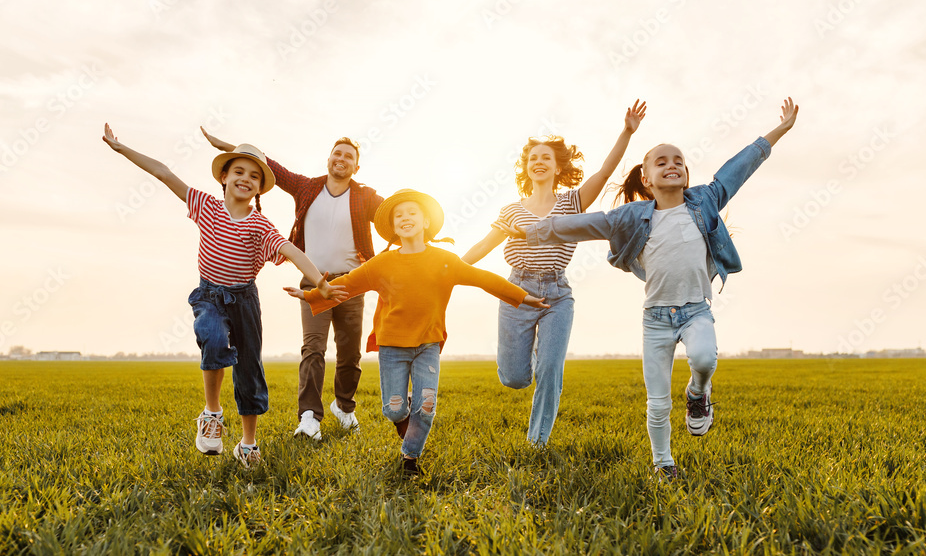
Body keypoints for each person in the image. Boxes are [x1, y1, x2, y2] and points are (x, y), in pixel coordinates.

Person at [506, 98, 799, 480]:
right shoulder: (631, 216)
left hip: (696, 310)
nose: (672, 165)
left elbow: (740, 166)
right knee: (657, 402)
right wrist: (533, 231)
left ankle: (698, 394)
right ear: (646, 179)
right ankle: (664, 465)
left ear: (686, 174)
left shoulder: (706, 201)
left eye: (678, 160)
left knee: (705, 359)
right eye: (661, 162)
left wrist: (779, 130)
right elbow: (581, 223)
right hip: (656, 320)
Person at [102, 124, 345, 467]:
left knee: (249, 370)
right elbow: (163, 172)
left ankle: (247, 445)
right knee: (213, 339)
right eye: (239, 172)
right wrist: (121, 147)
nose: (245, 179)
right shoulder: (205, 206)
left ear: (261, 187)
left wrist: (319, 281)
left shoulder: (260, 225)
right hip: (210, 296)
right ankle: (212, 414)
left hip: (245, 301)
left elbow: (290, 250)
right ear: (225, 178)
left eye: (254, 176)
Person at [286, 190, 549, 476]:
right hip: (392, 347)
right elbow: (347, 284)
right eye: (399, 215)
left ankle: (409, 459)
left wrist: (522, 296)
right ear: (393, 227)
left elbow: (484, 278)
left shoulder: (444, 260)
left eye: (412, 213)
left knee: (426, 406)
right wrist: (311, 295)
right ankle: (405, 414)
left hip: (427, 345)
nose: (405, 218)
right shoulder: (382, 264)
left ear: (425, 222)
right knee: (394, 410)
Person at [461, 100, 647, 445]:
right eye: (533, 158)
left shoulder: (571, 204)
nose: (539, 162)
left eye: (546, 157)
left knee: (549, 369)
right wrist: (451, 268)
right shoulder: (512, 210)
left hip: (557, 294)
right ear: (526, 168)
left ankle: (537, 442)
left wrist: (626, 132)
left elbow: (604, 173)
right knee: (515, 378)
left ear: (558, 166)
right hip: (516, 291)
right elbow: (484, 246)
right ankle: (531, 353)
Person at [203, 129, 384, 441]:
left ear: (356, 167)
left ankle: (344, 406)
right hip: (314, 283)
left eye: (349, 157)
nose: (341, 159)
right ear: (329, 159)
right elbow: (270, 165)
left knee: (350, 353)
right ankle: (309, 417)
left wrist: (410, 234)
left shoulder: (365, 197)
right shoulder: (306, 188)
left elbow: (393, 215)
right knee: (313, 348)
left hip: (352, 284)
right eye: (337, 153)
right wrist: (228, 147)